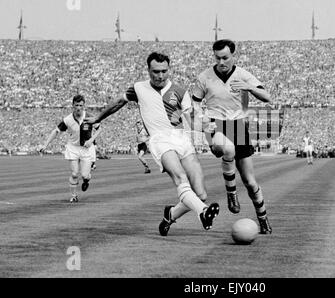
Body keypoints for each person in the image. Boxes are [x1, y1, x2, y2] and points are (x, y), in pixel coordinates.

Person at [86, 52, 219, 235]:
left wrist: (207, 130)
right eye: (155, 71)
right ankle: (203, 212)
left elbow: (192, 118)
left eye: (164, 71)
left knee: (201, 194)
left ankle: (170, 214)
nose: (160, 75)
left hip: (181, 139)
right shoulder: (138, 88)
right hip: (159, 140)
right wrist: (98, 117)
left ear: (168, 69)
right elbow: (118, 103)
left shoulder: (180, 91)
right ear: (148, 70)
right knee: (180, 178)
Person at [192, 39, 272, 234]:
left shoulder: (243, 74)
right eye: (217, 58)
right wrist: (202, 121)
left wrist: (248, 87)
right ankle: (231, 194)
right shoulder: (205, 77)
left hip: (238, 126)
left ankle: (263, 219)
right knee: (228, 149)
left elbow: (267, 96)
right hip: (215, 124)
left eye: (225, 58)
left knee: (251, 182)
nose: (221, 62)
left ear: (233, 56)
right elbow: (194, 102)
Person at [39, 94, 101, 202]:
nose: (79, 108)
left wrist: (91, 140)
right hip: (73, 148)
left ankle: (86, 180)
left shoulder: (89, 117)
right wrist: (45, 145)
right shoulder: (67, 120)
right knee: (74, 173)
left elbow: (99, 129)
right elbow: (56, 131)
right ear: (73, 106)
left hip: (86, 149)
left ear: (84, 106)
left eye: (81, 105)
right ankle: (73, 196)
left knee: (85, 175)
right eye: (76, 105)